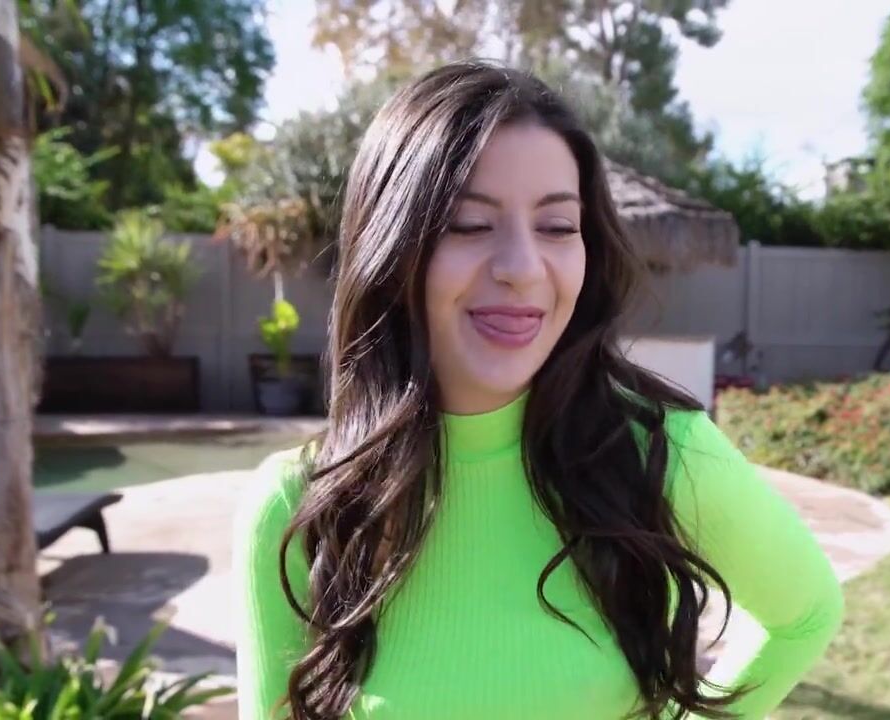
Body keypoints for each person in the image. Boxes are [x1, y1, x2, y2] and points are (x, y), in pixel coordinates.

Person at [232, 59, 844, 720]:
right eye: (469, 225)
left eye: (557, 227)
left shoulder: (658, 452)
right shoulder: (297, 510)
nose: (523, 269)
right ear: (391, 246)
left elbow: (805, 615)